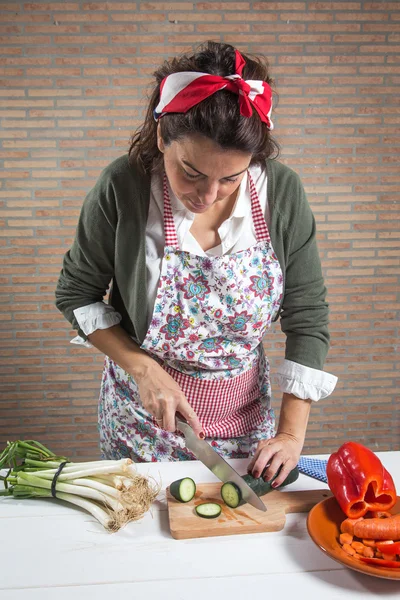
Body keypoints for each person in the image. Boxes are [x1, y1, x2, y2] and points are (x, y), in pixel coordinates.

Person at [55, 41, 337, 488]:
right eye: (191, 171)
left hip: (247, 423)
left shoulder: (282, 194)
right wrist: (145, 369)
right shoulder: (123, 188)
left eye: (231, 178)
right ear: (163, 136)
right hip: (143, 423)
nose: (207, 196)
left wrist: (289, 433)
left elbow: (308, 315)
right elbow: (76, 294)